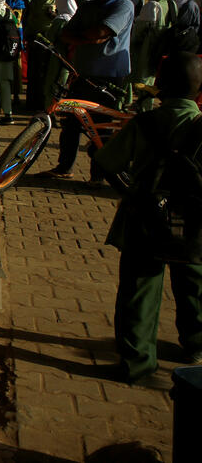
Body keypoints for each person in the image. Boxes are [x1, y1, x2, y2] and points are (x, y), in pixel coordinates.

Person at [93, 52, 202, 384]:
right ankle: (196, 347)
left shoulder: (143, 124)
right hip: (194, 223)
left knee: (139, 290)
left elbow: (107, 163)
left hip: (145, 218)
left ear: (160, 86)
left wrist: (129, 190)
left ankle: (137, 362)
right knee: (195, 285)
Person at [41, 0, 135, 181]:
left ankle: (98, 176)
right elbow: (67, 34)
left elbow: (101, 33)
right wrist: (89, 38)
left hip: (109, 76)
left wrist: (85, 37)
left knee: (101, 128)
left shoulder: (124, 6)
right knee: (72, 123)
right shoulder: (87, 6)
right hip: (82, 73)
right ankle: (64, 167)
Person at [22, 0, 56, 111]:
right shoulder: (35, 1)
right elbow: (29, 18)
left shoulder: (54, 2)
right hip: (33, 40)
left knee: (44, 74)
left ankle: (43, 104)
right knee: (33, 73)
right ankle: (32, 102)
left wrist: (53, 15)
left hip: (47, 42)